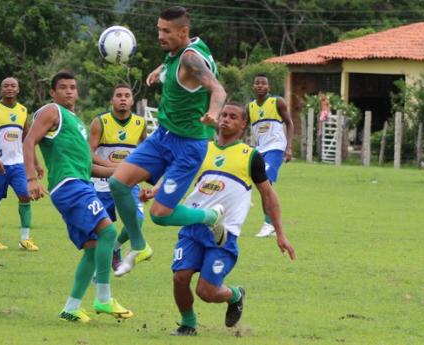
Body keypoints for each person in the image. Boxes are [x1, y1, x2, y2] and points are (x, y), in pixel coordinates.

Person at [140, 102, 295, 336]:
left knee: (207, 292)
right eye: (223, 115)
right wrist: (156, 191)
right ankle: (188, 323)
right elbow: (177, 176)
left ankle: (235, 295)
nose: (225, 119)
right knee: (180, 277)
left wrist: (280, 234)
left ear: (244, 125)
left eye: (233, 117)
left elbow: (268, 195)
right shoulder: (201, 149)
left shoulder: (250, 156)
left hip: (224, 233)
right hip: (193, 225)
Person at [109, 6, 228, 277]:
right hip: (162, 136)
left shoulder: (190, 60)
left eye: (166, 31)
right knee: (118, 182)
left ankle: (211, 217)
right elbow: (176, 57)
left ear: (183, 32)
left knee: (160, 214)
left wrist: (213, 112)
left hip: (189, 146)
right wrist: (160, 68)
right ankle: (139, 246)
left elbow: (217, 88)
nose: (160, 36)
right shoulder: (188, 46)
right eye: (159, 30)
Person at [23, 72, 132, 323]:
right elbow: (28, 142)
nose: (69, 91)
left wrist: (126, 172)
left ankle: (71, 307)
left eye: (73, 87)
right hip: (70, 186)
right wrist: (31, 179)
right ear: (53, 92)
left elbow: (90, 167)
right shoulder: (52, 111)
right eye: (63, 88)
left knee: (94, 249)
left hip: (79, 183)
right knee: (108, 233)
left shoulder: (77, 123)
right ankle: (103, 298)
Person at [88, 84, 148, 270]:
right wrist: (113, 168)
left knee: (137, 220)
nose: (123, 98)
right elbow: (88, 153)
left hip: (128, 184)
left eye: (127, 95)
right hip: (101, 185)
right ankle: (99, 268)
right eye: (119, 95)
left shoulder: (140, 124)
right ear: (112, 100)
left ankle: (116, 248)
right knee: (103, 230)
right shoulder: (100, 122)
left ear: (132, 101)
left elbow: (146, 151)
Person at [0, 77, 42, 251]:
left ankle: (24, 239)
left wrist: (36, 164)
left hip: (17, 164)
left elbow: (27, 139)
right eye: (5, 85)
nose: (9, 88)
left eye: (13, 86)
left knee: (25, 196)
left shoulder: (23, 111)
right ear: (1, 89)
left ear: (18, 89)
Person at [247, 74, 294, 238]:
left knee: (265, 182)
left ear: (269, 87)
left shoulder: (277, 102)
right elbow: (241, 128)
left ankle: (269, 224)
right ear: (253, 87)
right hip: (259, 150)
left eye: (263, 83)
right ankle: (246, 200)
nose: (260, 86)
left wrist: (288, 148)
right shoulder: (250, 107)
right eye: (257, 83)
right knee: (255, 181)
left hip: (276, 148)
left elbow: (289, 123)